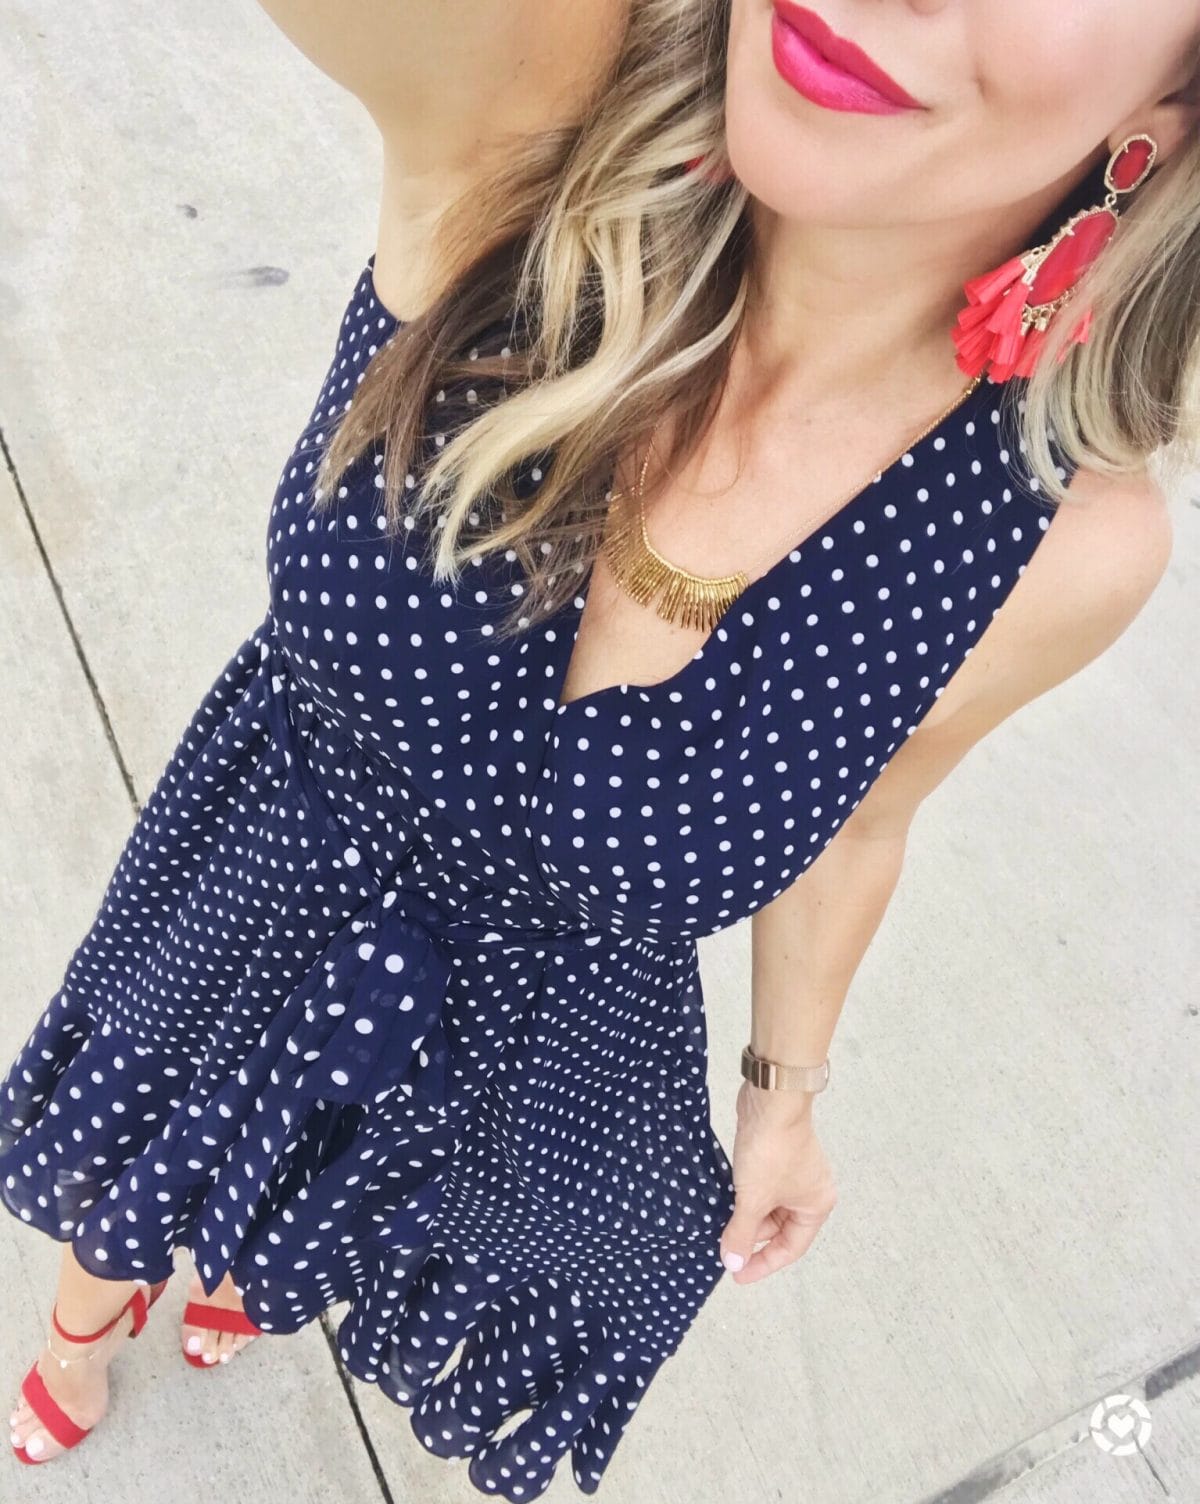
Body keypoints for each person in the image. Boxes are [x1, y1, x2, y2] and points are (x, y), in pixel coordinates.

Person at [3, 0, 1195, 1496]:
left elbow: (867, 815)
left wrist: (783, 1089)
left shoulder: (1059, 547)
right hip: (255, 881)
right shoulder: (535, 119)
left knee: (330, 1202)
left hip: (536, 1039)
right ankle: (77, 1329)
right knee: (135, 1158)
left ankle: (249, 1275)